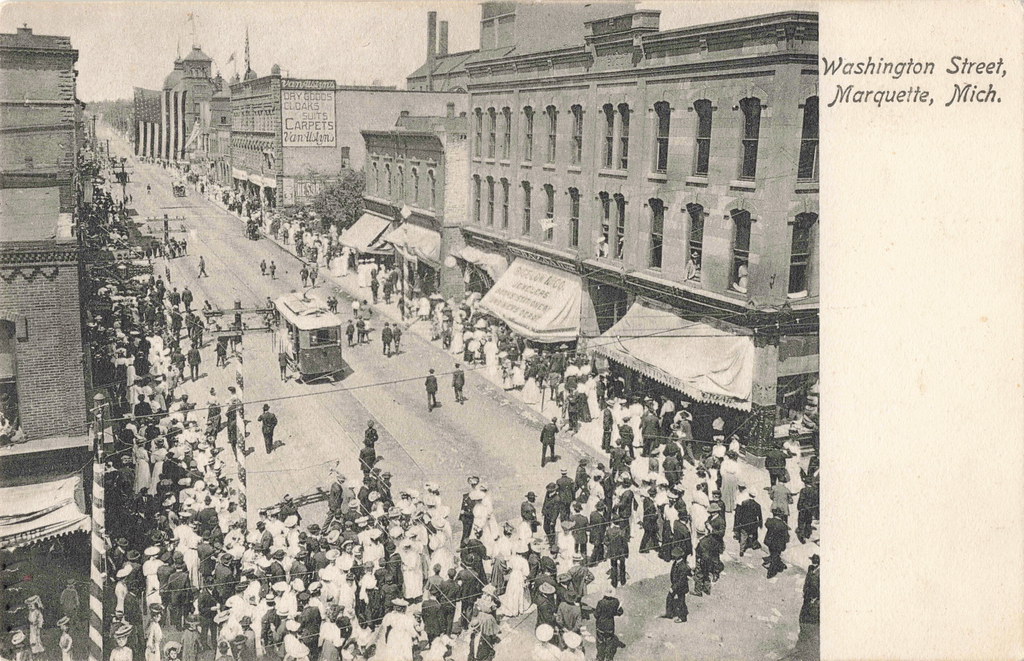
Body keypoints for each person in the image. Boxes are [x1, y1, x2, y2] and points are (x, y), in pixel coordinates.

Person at [594, 588, 625, 661]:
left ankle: (600, 657)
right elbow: (619, 612)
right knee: (609, 641)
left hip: (600, 625)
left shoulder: (601, 602)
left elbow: (596, 615)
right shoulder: (616, 601)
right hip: (610, 625)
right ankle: (608, 658)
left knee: (600, 641)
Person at [663, 545, 690, 623]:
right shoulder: (676, 563)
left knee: (681, 601)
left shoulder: (683, 566)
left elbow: (681, 580)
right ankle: (669, 613)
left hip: (681, 587)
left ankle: (683, 617)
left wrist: (673, 588)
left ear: (677, 557)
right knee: (669, 598)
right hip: (675, 585)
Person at [764, 507, 790, 578]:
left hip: (769, 542)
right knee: (775, 556)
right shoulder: (783, 525)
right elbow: (786, 537)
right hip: (778, 545)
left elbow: (766, 524)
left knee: (773, 554)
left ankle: (780, 564)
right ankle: (771, 573)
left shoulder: (770, 521)